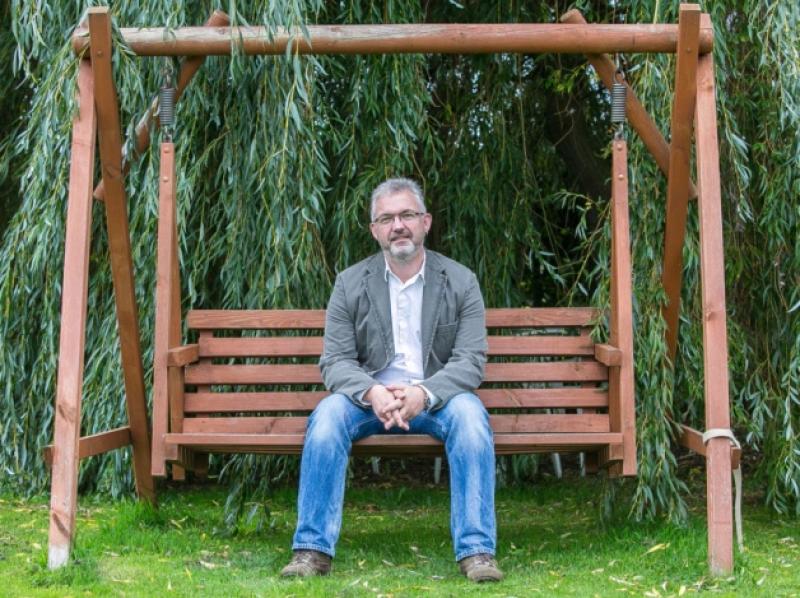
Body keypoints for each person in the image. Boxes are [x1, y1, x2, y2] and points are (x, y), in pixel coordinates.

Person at [280, 177, 502, 582]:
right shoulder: (350, 283)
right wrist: (372, 391)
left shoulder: (461, 280)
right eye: (387, 218)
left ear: (425, 222)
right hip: (368, 399)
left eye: (407, 215)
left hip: (439, 399)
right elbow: (335, 360)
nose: (398, 225)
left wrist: (424, 392)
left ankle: (477, 552)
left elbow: (470, 361)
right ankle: (311, 550)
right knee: (327, 418)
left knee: (472, 419)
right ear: (375, 230)